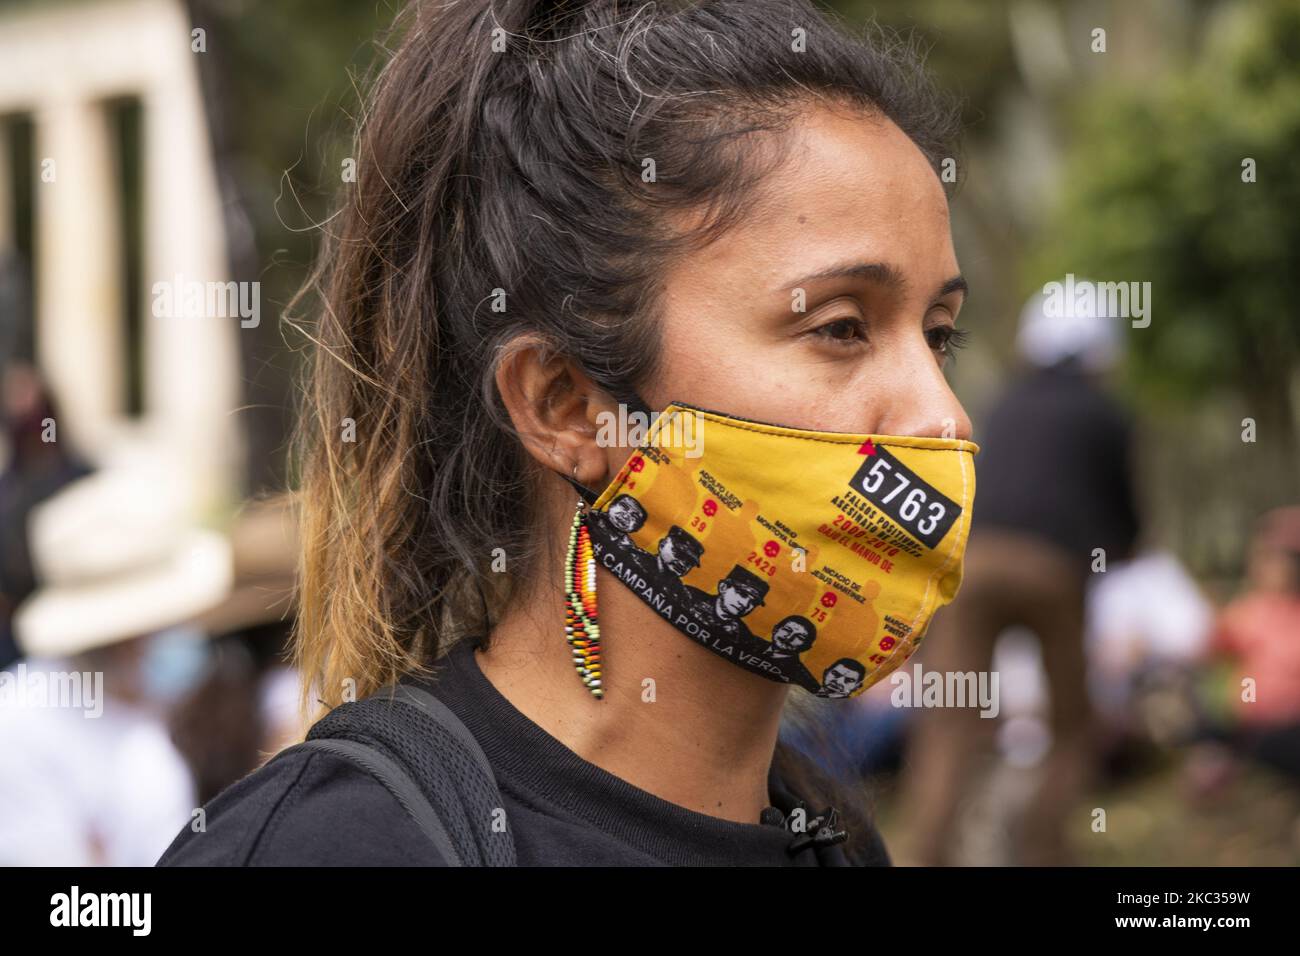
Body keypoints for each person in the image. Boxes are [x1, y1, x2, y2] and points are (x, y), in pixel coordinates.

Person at [158, 0, 972, 867]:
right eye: (841, 327)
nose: (945, 417)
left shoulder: (831, 836)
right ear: (568, 407)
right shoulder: (328, 848)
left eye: (939, 334)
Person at [899, 281, 1140, 866]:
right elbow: (1128, 523)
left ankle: (923, 855)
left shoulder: (1005, 401)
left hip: (971, 567)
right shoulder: (1107, 414)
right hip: (1054, 572)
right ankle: (1041, 851)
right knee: (1070, 727)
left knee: (951, 724)